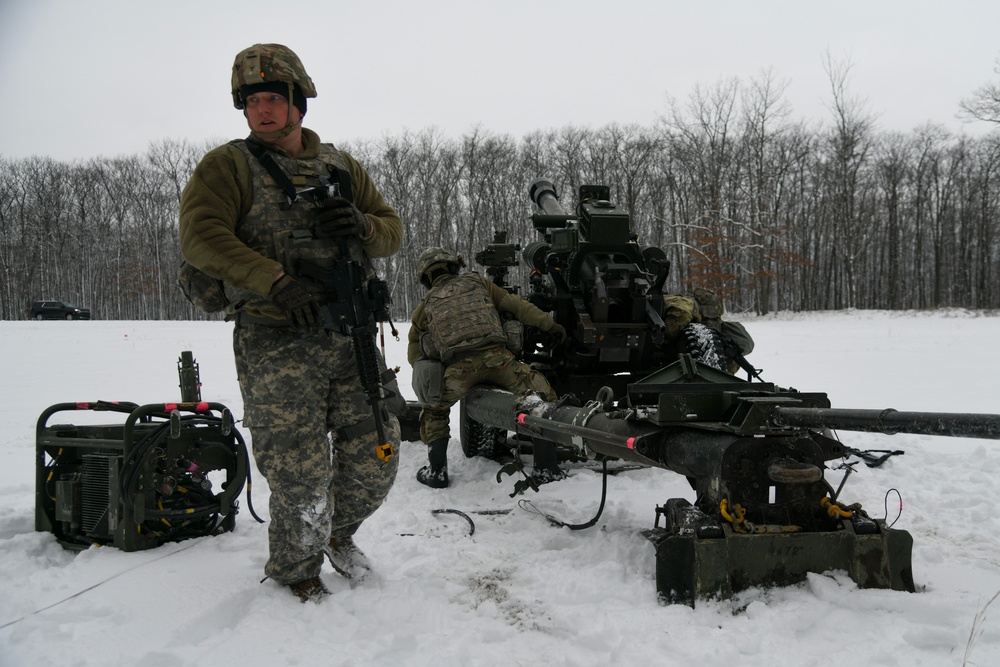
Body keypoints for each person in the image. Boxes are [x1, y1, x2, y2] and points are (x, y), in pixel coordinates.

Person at [178, 43, 402, 603]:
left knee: (380, 452)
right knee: (298, 471)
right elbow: (200, 237)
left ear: (299, 102)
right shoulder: (228, 165)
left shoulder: (341, 166)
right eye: (252, 101)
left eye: (274, 98)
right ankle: (297, 570)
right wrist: (274, 280)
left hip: (349, 335)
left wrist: (362, 225)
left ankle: (336, 534)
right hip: (277, 339)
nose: (263, 110)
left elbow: (391, 227)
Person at [407, 247, 567, 488]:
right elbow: (518, 307)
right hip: (498, 361)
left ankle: (437, 470)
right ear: (453, 266)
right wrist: (550, 325)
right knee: (541, 396)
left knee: (434, 411)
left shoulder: (424, 307)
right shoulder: (478, 284)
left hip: (458, 371)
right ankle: (546, 468)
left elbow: (415, 353)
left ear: (426, 278)